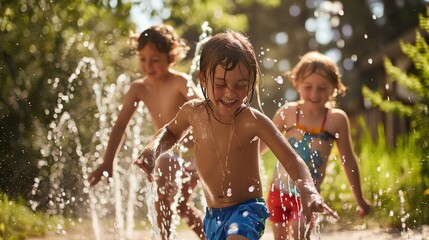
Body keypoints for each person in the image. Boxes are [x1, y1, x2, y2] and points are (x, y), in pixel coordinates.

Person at [135, 31, 339, 240]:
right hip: (213, 215)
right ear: (204, 79)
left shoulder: (252, 121)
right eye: (221, 84)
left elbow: (291, 158)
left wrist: (308, 190)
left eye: (240, 85)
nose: (230, 93)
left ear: (251, 82)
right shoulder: (193, 112)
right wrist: (153, 149)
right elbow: (170, 132)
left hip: (248, 210)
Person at [87, 24, 205, 239]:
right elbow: (120, 126)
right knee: (164, 198)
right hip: (166, 153)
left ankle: (209, 236)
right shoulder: (138, 88)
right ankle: (164, 238)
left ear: (171, 55)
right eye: (142, 58)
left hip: (193, 154)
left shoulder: (180, 82)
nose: (148, 65)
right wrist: (107, 161)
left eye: (155, 60)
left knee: (179, 204)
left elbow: (205, 109)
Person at [262, 51, 371, 239]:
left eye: (322, 88)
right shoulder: (287, 113)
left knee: (299, 234)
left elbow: (348, 160)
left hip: (309, 196)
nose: (314, 93)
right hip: (278, 192)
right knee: (279, 237)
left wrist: (359, 198)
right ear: (296, 83)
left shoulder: (336, 120)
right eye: (308, 86)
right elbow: (261, 146)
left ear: (334, 88)